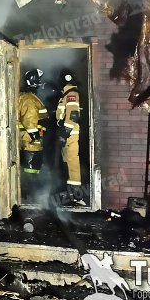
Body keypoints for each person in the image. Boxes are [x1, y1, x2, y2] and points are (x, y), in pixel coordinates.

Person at [55, 69, 85, 206]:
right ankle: (70, 194)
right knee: (67, 162)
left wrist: (64, 134)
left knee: (72, 163)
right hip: (68, 135)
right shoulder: (67, 94)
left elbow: (73, 116)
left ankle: (77, 195)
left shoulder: (71, 94)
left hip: (70, 135)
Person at [18, 69, 48, 174]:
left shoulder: (28, 97)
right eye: (39, 81)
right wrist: (35, 136)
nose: (41, 84)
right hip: (30, 142)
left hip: (29, 140)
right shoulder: (29, 99)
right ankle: (31, 182)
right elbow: (29, 121)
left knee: (31, 170)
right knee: (31, 170)